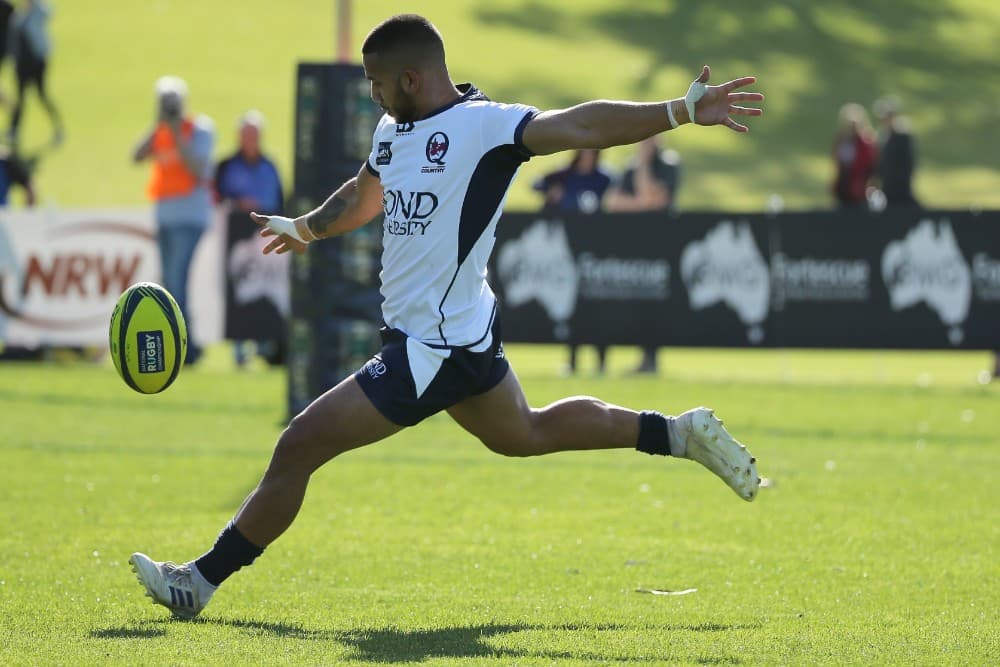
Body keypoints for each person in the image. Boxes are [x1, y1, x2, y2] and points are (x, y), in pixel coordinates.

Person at [129, 14, 764, 620]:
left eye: (377, 84)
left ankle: (201, 581)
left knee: (299, 444)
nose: (372, 97)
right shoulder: (392, 130)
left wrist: (679, 111)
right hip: (460, 337)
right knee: (526, 433)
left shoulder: (482, 127)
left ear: (411, 79)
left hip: (429, 350)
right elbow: (364, 194)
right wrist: (305, 227)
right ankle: (678, 433)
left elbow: (581, 129)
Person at [132, 75, 214, 365]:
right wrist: (158, 125)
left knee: (177, 281)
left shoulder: (199, 130)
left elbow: (196, 169)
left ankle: (186, 349)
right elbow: (136, 156)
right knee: (169, 282)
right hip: (166, 218)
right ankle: (181, 344)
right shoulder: (160, 132)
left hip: (189, 218)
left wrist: (177, 132)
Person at [214, 109, 285, 367]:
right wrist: (238, 205)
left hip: (264, 239)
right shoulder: (226, 166)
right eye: (246, 135)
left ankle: (264, 346)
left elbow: (280, 200)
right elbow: (217, 198)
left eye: (254, 135)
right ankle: (239, 349)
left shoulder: (270, 166)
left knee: (264, 293)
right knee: (238, 295)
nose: (250, 140)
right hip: (236, 243)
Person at [606, 137, 682, 374]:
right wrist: (642, 202)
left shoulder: (669, 165)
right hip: (635, 247)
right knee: (637, 305)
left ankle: (651, 359)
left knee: (656, 304)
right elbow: (613, 202)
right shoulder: (632, 167)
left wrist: (645, 165)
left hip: (662, 247)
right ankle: (643, 360)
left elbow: (656, 198)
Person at [534, 148, 612, 375]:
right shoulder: (565, 175)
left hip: (596, 253)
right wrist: (552, 194)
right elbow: (537, 184)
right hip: (568, 253)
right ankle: (573, 361)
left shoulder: (603, 178)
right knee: (573, 309)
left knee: (598, 309)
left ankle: (601, 362)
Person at [7, 0, 63, 147]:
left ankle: (58, 127)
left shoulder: (38, 13)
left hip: (36, 63)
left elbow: (49, 11)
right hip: (20, 64)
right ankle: (14, 130)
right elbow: (14, 40)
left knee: (42, 95)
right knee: (20, 98)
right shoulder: (19, 15)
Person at [872, 96, 919, 209]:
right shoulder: (883, 137)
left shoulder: (902, 137)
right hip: (887, 188)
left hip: (901, 188)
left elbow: (908, 163)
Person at [831, 103, 877, 208]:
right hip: (843, 184)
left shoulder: (865, 142)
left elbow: (869, 166)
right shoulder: (841, 140)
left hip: (859, 186)